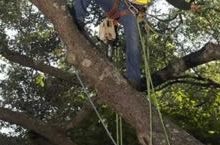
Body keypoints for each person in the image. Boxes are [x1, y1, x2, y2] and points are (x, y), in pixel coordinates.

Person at [71, 0, 200, 91]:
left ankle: (134, 80)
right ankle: (77, 19)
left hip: (131, 12)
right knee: (133, 40)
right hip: (115, 3)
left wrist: (188, 6)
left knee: (133, 42)